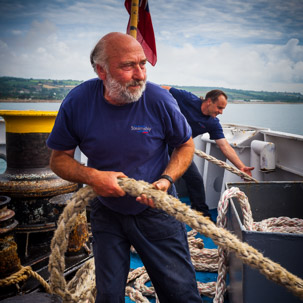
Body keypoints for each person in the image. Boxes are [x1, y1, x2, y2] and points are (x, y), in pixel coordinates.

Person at [46, 32, 203, 303]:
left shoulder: (158, 100)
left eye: (143, 64)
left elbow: (185, 145)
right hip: (106, 211)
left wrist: (165, 181)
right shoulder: (77, 102)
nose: (140, 74)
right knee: (108, 296)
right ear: (101, 71)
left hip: (156, 209)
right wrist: (93, 176)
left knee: (181, 295)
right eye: (128, 66)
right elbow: (58, 158)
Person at [163, 86, 254, 219]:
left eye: (223, 109)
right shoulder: (187, 98)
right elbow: (164, 89)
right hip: (158, 143)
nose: (221, 112)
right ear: (209, 101)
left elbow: (225, 146)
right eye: (219, 108)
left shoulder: (212, 123)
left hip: (179, 149)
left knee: (196, 180)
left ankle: (202, 217)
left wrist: (241, 167)